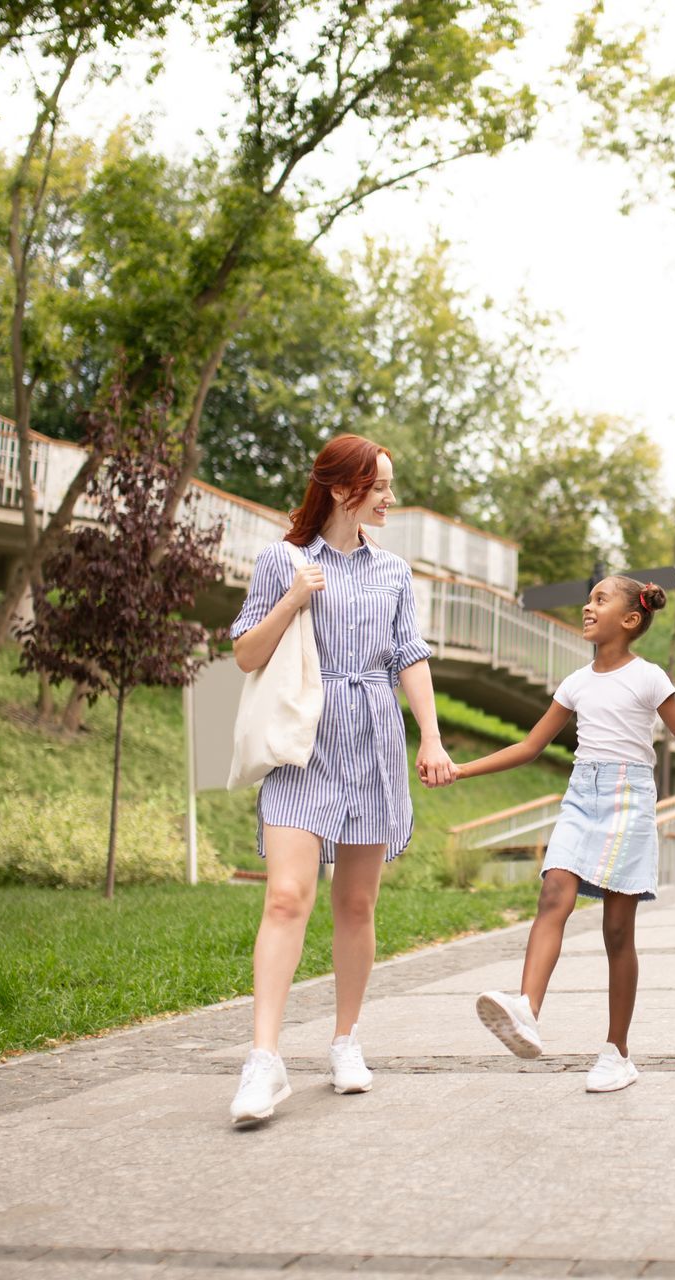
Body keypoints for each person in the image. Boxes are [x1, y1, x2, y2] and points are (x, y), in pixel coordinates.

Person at [443, 576, 675, 1092]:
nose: (587, 607)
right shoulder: (576, 682)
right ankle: (526, 1009)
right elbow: (529, 748)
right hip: (582, 796)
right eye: (589, 600)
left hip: (629, 800)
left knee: (616, 930)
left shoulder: (650, 678)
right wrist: (461, 769)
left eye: (599, 600)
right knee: (553, 892)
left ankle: (617, 1051)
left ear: (630, 620)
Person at [226, 435, 454, 1126]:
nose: (389, 497)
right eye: (380, 485)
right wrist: (292, 600)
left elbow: (409, 656)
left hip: (373, 741)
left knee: (355, 906)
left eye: (388, 484)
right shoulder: (282, 560)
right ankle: (264, 1060)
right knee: (287, 897)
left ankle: (345, 1040)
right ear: (340, 487)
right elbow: (244, 653)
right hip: (304, 744)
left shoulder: (393, 572)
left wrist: (433, 738)